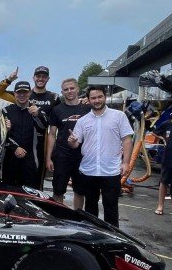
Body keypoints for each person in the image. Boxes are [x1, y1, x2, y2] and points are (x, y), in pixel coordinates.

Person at [68, 85, 133, 227]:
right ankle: (92, 235)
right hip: (89, 170)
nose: (97, 100)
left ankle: (113, 238)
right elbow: (75, 144)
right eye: (93, 98)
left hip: (110, 171)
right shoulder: (83, 121)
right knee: (90, 207)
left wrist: (126, 162)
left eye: (99, 97)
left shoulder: (119, 116)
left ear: (105, 97)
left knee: (111, 206)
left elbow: (127, 140)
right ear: (88, 100)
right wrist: (72, 142)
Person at [46, 78, 90, 207]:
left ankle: (77, 217)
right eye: (66, 89)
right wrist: (48, 158)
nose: (69, 91)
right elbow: (52, 135)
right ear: (62, 92)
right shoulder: (57, 110)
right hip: (62, 156)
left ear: (77, 89)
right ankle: (59, 217)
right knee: (58, 191)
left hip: (82, 157)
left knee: (80, 191)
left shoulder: (87, 109)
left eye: (72, 88)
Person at [3, 81, 46, 188]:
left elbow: (44, 127)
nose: (22, 95)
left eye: (25, 92)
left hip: (30, 158)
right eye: (19, 92)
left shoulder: (36, 110)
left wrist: (37, 115)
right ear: (14, 93)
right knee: (9, 193)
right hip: (10, 158)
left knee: (30, 193)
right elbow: (1, 135)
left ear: (30, 93)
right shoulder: (6, 111)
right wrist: (15, 147)